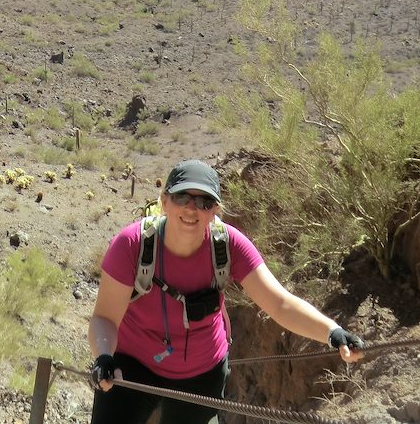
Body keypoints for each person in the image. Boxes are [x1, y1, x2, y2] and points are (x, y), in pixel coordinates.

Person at [88, 159, 364, 424]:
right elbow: (105, 319)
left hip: (200, 371)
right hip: (133, 364)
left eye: (204, 202)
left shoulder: (229, 246)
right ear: (165, 201)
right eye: (182, 197)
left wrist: (332, 332)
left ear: (215, 210)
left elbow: (279, 304)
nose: (192, 209)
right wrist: (104, 357)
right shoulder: (132, 245)